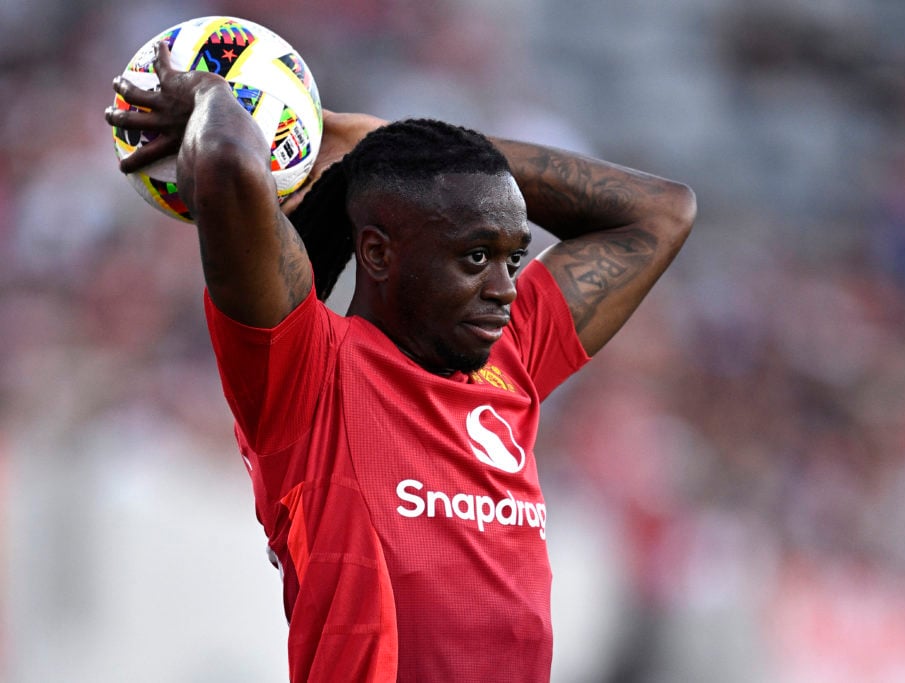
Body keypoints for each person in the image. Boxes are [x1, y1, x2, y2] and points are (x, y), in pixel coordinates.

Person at [105, 40, 696, 683]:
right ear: (380, 255)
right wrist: (211, 97)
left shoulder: (509, 355)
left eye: (512, 260)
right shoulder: (307, 375)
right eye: (475, 258)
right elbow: (225, 164)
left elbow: (664, 211)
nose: (503, 287)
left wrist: (391, 144)